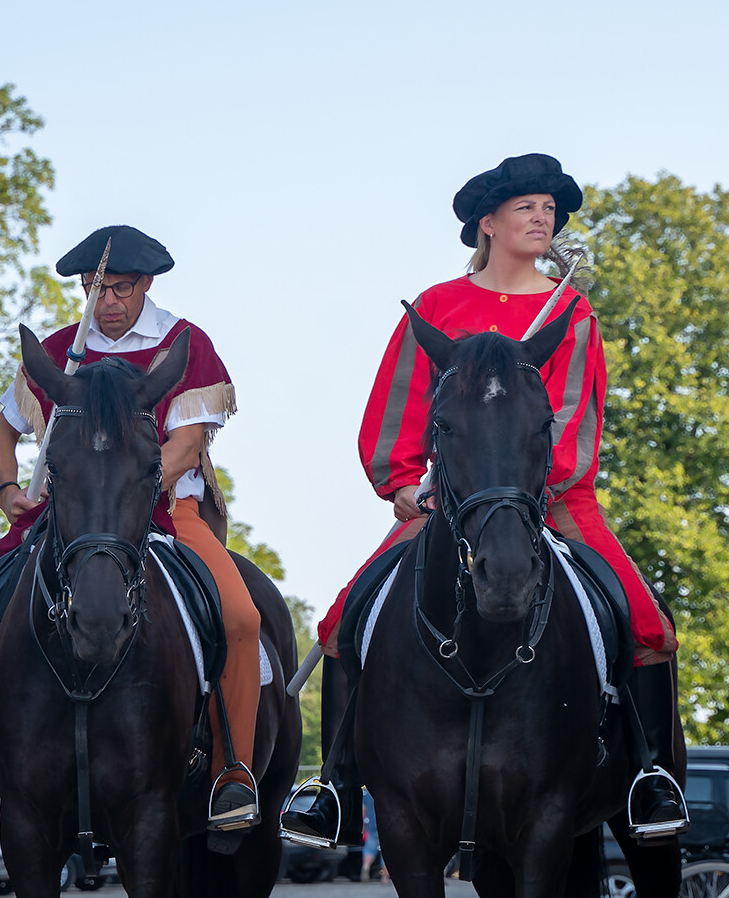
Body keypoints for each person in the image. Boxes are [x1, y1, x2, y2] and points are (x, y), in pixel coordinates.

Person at [279, 154, 686, 848]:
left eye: (550, 210)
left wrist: (525, 491)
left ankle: (648, 774)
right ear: (488, 224)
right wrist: (404, 482)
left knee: (646, 621)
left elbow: (575, 418)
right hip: (446, 501)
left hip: (551, 499)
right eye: (528, 207)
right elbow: (398, 405)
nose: (543, 218)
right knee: (345, 618)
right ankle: (335, 784)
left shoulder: (571, 311)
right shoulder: (437, 306)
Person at [0, 225, 263, 838]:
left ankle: (232, 775)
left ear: (145, 284)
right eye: (94, 287)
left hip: (168, 511)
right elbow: (0, 432)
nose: (106, 300)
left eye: (118, 287)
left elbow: (189, 443)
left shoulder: (183, 344)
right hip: (61, 519)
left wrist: (127, 491)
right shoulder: (61, 349)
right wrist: (8, 490)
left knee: (242, 619)